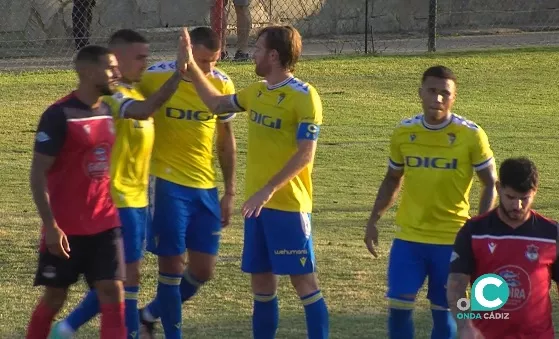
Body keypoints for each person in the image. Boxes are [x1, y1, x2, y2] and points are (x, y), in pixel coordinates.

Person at [182, 25, 330, 339]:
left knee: (303, 282)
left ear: (274, 55)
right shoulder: (257, 91)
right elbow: (217, 105)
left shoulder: (305, 97)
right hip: (257, 209)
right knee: (261, 284)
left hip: (288, 206)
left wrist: (267, 190)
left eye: (258, 48)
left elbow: (305, 154)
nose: (253, 53)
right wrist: (191, 66)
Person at [47, 29, 189, 339]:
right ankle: (78, 329)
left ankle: (70, 328)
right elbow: (143, 111)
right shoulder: (116, 98)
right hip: (116, 200)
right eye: (139, 57)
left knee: (124, 277)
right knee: (121, 277)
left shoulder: (136, 90)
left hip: (139, 201)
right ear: (117, 59)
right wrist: (179, 74)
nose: (145, 63)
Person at [363, 66, 498, 339]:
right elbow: (392, 178)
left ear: (453, 98)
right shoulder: (404, 132)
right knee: (399, 309)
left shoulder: (471, 135)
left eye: (444, 94)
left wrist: (479, 228)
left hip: (452, 241)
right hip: (409, 239)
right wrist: (373, 219)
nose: (437, 98)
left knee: (444, 313)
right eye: (432, 91)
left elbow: (491, 183)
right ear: (420, 93)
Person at [135, 26, 237, 339]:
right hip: (166, 186)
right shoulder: (153, 77)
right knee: (171, 269)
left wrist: (229, 190)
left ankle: (147, 315)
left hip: (205, 189)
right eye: (202, 61)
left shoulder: (221, 83)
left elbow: (225, 140)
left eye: (214, 61)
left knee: (203, 270)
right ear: (187, 52)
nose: (208, 69)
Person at [26, 45, 125, 339]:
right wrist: (52, 227)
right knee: (55, 298)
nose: (116, 73)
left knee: (112, 291)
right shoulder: (59, 115)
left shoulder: (107, 110)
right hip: (66, 229)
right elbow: (37, 174)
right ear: (88, 71)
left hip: (105, 223)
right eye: (110, 67)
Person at [448, 157, 559, 339]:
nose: (517, 206)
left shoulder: (551, 233)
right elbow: (456, 286)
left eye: (525, 199)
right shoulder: (474, 231)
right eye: (510, 197)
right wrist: (465, 324)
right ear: (499, 188)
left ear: (535, 192)